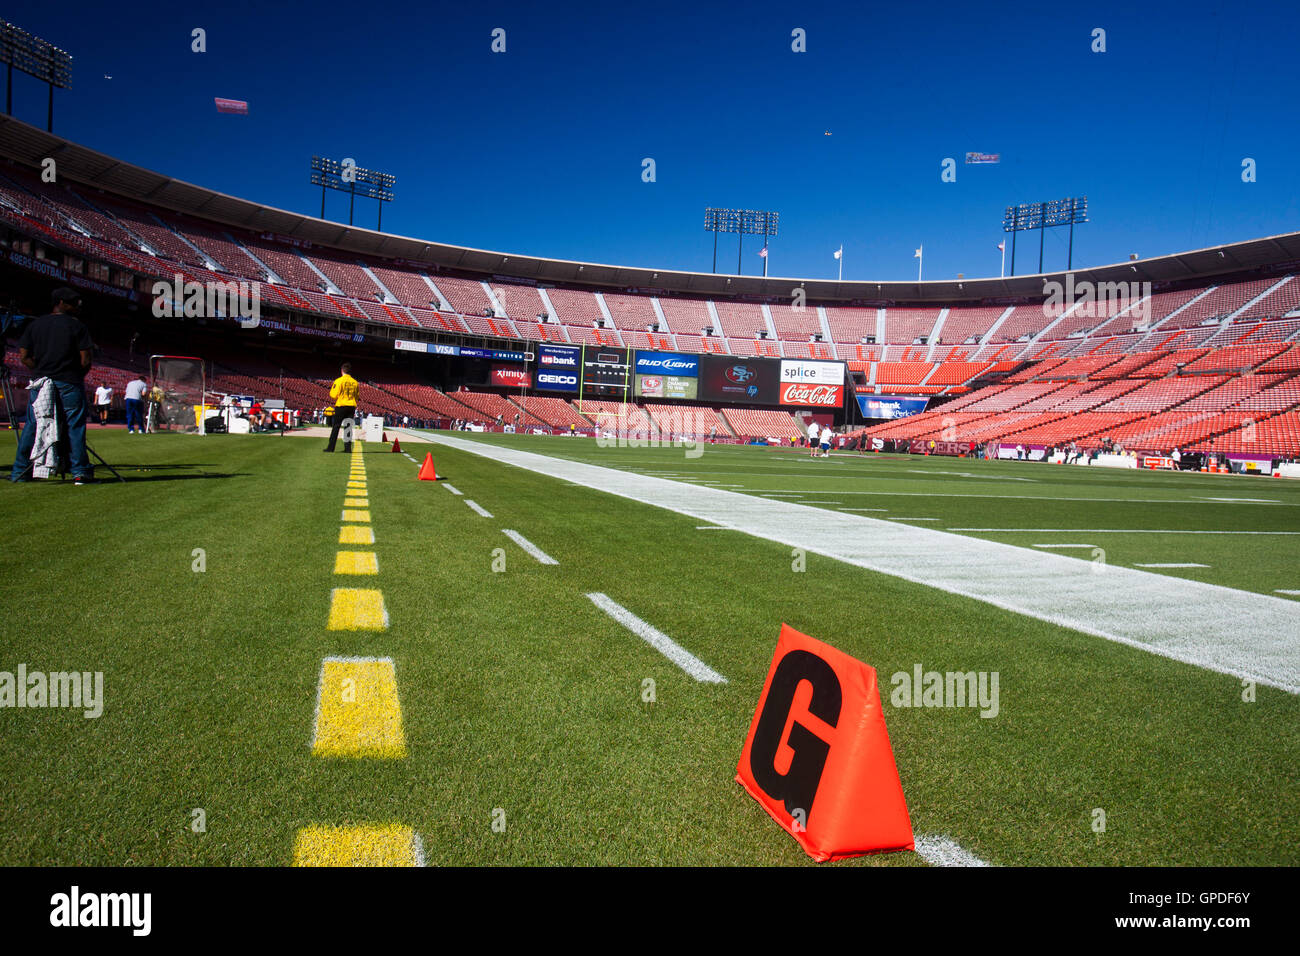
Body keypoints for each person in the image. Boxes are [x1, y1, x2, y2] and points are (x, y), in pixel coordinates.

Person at [10, 287, 95, 484]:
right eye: (73, 302)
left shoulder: (35, 325)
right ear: (61, 302)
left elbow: (23, 356)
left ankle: (20, 471)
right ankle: (80, 471)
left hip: (42, 381)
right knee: (74, 426)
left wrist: (39, 371)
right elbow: (86, 359)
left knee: (33, 424)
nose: (77, 306)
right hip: (69, 382)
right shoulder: (77, 326)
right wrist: (75, 376)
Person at [323, 362, 359, 453]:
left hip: (341, 405)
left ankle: (331, 448)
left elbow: (333, 395)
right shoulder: (355, 382)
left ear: (342, 371)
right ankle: (347, 449)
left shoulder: (339, 381)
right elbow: (357, 396)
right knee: (348, 427)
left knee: (336, 427)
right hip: (351, 405)